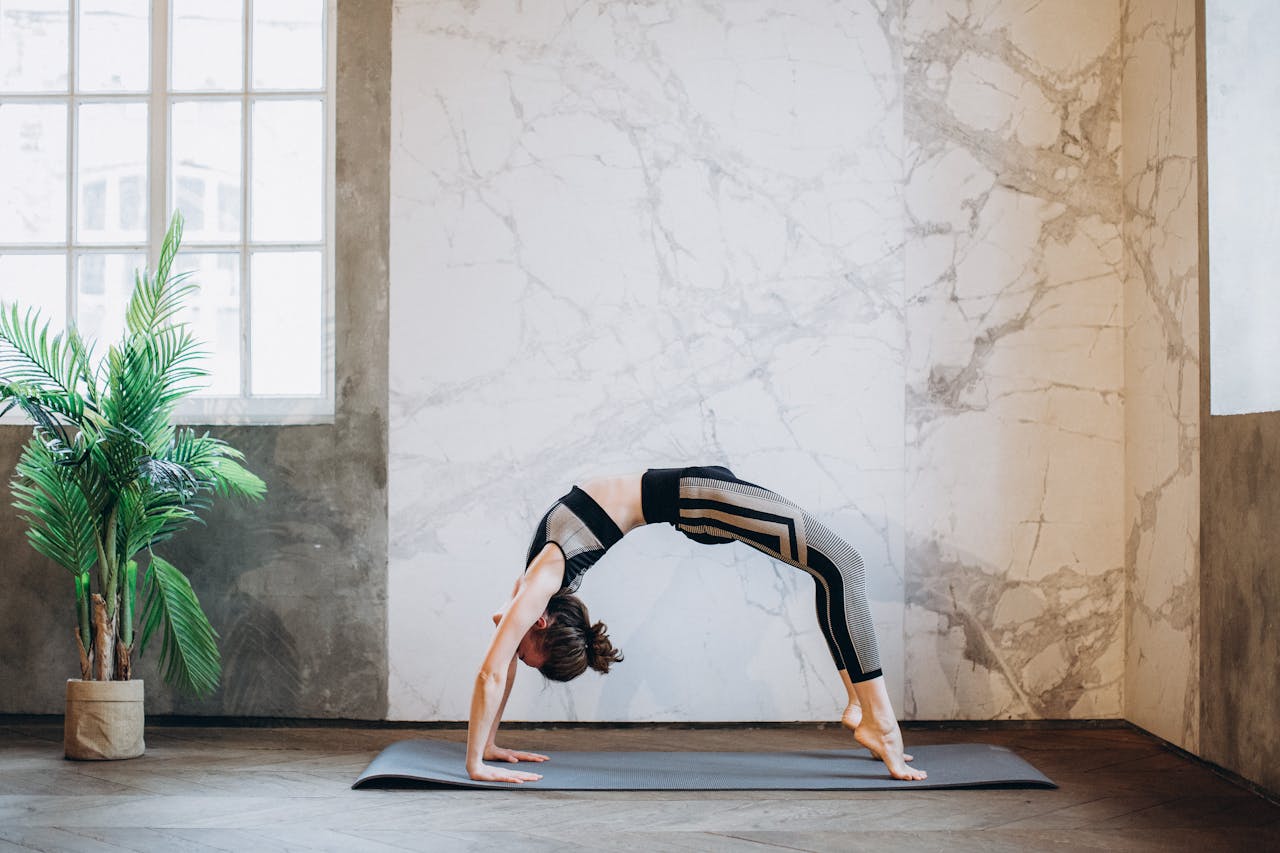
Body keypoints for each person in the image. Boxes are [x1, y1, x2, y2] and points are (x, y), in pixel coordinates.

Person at [466, 465, 926, 784]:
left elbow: (491, 670)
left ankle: (871, 716)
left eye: (523, 653)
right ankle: (870, 716)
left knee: (839, 567)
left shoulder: (542, 578)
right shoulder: (538, 582)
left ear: (540, 622)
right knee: (839, 568)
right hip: (698, 500)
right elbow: (500, 663)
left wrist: (475, 763)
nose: (510, 650)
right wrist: (487, 745)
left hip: (701, 496)